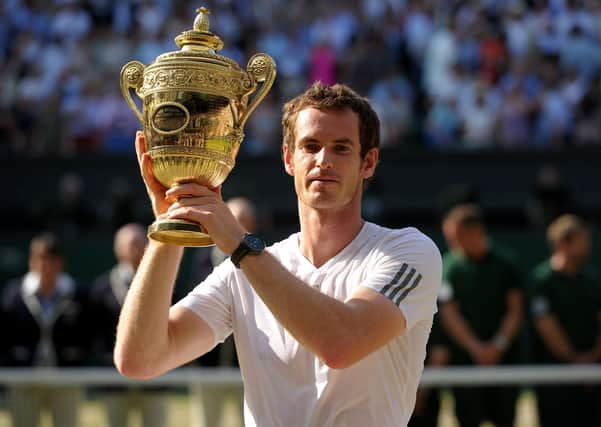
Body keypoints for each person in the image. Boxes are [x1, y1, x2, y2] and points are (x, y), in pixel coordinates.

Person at [114, 82, 442, 427]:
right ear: (289, 158)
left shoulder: (409, 251)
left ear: (369, 162)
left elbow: (341, 345)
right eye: (310, 146)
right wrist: (170, 224)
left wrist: (240, 244)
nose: (323, 160)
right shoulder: (245, 270)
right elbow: (139, 360)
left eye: (341, 148)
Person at [438, 203, 524, 427]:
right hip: (465, 363)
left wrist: (498, 345)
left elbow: (515, 310)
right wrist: (476, 348)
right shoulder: (450, 267)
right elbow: (449, 313)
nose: (452, 244)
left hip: (504, 361)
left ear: (476, 231)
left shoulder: (506, 264)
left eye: (457, 237)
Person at [0, 232, 88, 427]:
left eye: (51, 260)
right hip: (24, 376)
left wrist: (76, 357)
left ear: (61, 263)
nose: (45, 266)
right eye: (40, 259)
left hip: (66, 376)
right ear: (32, 261)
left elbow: (87, 332)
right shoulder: (14, 294)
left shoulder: (76, 294)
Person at [87, 223, 169, 427]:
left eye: (141, 243)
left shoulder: (162, 280)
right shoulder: (103, 287)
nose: (136, 248)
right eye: (130, 244)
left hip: (154, 375)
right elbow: (95, 329)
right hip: (114, 375)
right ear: (118, 249)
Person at [188, 197, 258, 427]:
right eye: (236, 219)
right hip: (208, 364)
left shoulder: (266, 261)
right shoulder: (201, 260)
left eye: (246, 221)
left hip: (247, 365)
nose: (241, 226)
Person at [529, 214, 601, 427]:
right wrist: (577, 363)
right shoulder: (542, 281)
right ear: (562, 243)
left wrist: (592, 360)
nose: (588, 246)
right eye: (582, 241)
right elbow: (546, 326)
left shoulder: (592, 281)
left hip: (592, 379)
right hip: (554, 379)